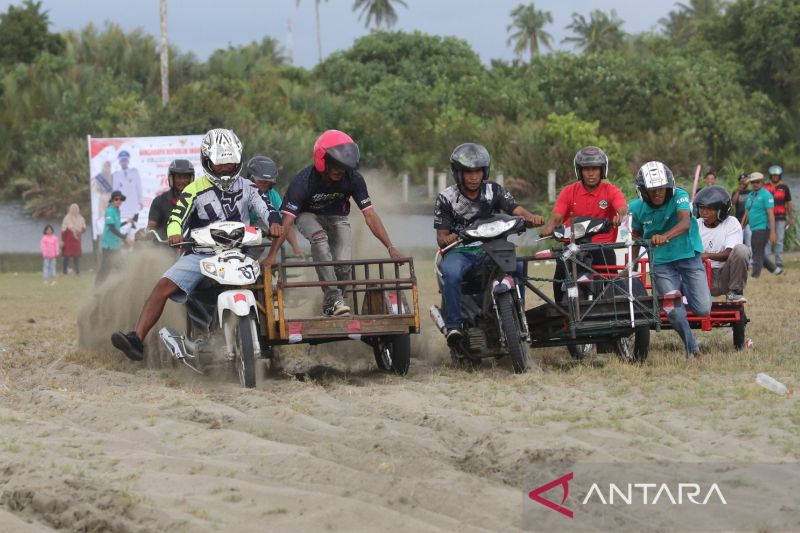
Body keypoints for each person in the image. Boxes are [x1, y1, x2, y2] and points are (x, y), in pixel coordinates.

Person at [111, 128, 283, 362]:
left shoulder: (249, 187)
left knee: (265, 286)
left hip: (238, 253)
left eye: (230, 163)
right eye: (219, 164)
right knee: (163, 286)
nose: (225, 169)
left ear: (239, 161)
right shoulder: (193, 189)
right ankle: (136, 339)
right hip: (200, 254)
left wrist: (274, 222)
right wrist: (173, 233)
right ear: (206, 162)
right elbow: (176, 217)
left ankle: (266, 338)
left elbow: (266, 208)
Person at [263, 130, 403, 317]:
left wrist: (390, 247)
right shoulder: (303, 182)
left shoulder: (353, 179)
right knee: (319, 238)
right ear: (322, 161)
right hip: (307, 215)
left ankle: (336, 303)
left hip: (337, 217)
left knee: (343, 264)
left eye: (344, 166)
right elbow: (287, 222)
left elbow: (370, 215)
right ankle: (334, 298)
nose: (340, 170)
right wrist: (272, 255)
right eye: (335, 165)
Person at [433, 142, 544, 345]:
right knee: (452, 273)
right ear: (458, 173)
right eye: (468, 172)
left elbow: (515, 209)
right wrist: (448, 238)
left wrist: (530, 217)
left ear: (485, 171)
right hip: (461, 252)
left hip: (493, 249)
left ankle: (518, 316)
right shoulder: (446, 198)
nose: (474, 177)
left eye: (478, 171)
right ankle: (454, 326)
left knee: (518, 266)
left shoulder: (494, 190)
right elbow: (441, 236)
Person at [629, 161, 711, 359]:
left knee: (703, 309)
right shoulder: (636, 208)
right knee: (673, 311)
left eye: (662, 188)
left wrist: (664, 236)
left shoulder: (680, 196)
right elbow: (635, 238)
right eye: (653, 189)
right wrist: (631, 267)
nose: (658, 192)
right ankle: (692, 348)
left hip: (688, 256)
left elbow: (684, 222)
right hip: (661, 263)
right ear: (643, 190)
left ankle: (678, 292)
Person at [539, 146, 627, 302]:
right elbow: (557, 215)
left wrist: (619, 216)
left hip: (602, 247)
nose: (591, 173)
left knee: (612, 276)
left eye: (595, 169)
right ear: (579, 171)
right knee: (560, 270)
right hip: (573, 245)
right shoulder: (568, 191)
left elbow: (621, 207)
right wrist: (550, 227)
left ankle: (613, 305)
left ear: (602, 170)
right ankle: (560, 309)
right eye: (586, 169)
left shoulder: (611, 190)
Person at [694, 186, 750, 302]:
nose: (704, 212)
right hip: (702, 276)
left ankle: (735, 291)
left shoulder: (732, 223)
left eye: (709, 209)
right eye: (701, 208)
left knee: (741, 250)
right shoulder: (695, 225)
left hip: (725, 276)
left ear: (721, 211)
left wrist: (706, 255)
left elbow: (729, 253)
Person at [245, 156, 305, 258]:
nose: (264, 187)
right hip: (236, 227)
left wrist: (296, 247)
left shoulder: (272, 195)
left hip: (252, 228)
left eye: (268, 183)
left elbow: (285, 223)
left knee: (258, 245)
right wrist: (262, 231)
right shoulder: (240, 191)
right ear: (251, 179)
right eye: (262, 182)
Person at [741, 172, 781, 277]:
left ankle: (755, 275)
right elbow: (746, 213)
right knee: (757, 251)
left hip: (763, 228)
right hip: (753, 228)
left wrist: (773, 232)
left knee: (756, 252)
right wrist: (741, 227)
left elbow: (771, 214)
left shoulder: (766, 195)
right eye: (753, 182)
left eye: (757, 182)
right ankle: (775, 269)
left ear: (762, 182)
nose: (755, 184)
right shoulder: (750, 195)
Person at [148, 158, 195, 241]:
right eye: (179, 177)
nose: (182, 181)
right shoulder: (159, 201)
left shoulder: (198, 200)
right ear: (171, 179)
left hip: (192, 247)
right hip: (165, 248)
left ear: (191, 179)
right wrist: (147, 233)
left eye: (186, 177)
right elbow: (151, 226)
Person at [96, 190, 133, 285]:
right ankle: (96, 289)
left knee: (121, 267)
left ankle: (122, 287)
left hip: (115, 246)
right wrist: (125, 238)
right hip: (108, 246)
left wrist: (127, 222)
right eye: (116, 199)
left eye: (120, 199)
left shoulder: (117, 211)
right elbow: (112, 228)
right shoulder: (109, 211)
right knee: (105, 269)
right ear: (112, 200)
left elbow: (116, 225)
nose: (119, 201)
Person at [763, 165, 792, 269]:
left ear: (780, 176)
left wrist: (790, 217)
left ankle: (779, 261)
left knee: (779, 239)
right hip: (767, 218)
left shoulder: (784, 187)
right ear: (770, 176)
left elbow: (789, 203)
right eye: (773, 175)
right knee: (767, 240)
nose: (775, 177)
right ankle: (768, 262)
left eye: (777, 175)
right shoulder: (765, 187)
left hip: (781, 217)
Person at [112, 150, 143, 221]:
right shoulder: (116, 175)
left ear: (128, 161)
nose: (124, 162)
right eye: (122, 160)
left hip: (133, 205)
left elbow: (139, 188)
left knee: (134, 226)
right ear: (119, 162)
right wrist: (114, 203)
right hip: (122, 206)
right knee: (123, 227)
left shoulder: (134, 172)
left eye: (125, 160)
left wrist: (140, 201)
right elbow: (115, 190)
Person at [61, 203, 86, 275]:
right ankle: (65, 272)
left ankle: (77, 272)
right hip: (68, 239)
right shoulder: (66, 218)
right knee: (66, 256)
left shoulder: (81, 218)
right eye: (73, 209)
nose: (74, 210)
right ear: (70, 209)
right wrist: (63, 240)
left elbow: (84, 228)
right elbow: (63, 230)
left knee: (76, 256)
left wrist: (80, 230)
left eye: (76, 209)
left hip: (77, 239)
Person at [730, 173, 751, 248]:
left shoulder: (751, 192)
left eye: (745, 181)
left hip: (749, 221)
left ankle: (750, 259)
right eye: (741, 181)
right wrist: (739, 190)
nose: (743, 183)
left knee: (749, 242)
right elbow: (733, 202)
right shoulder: (736, 192)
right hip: (738, 220)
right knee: (739, 242)